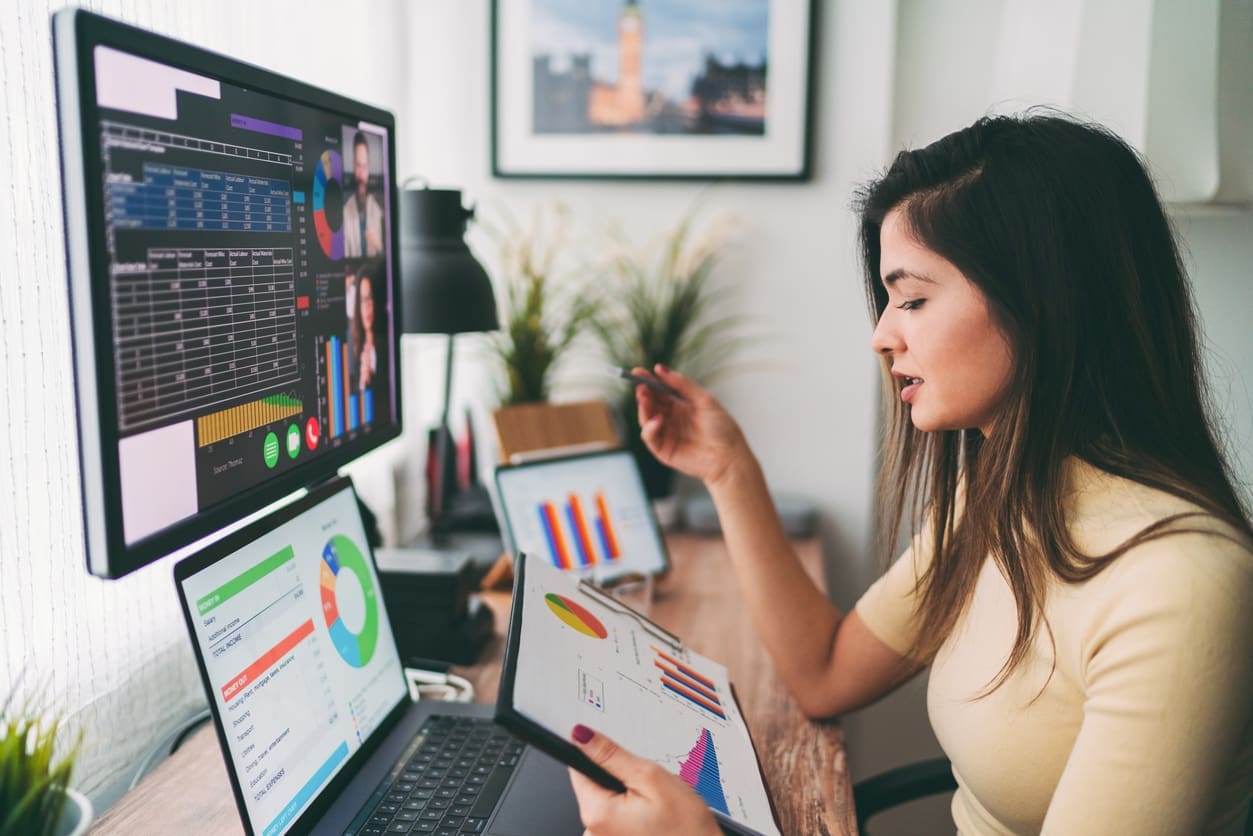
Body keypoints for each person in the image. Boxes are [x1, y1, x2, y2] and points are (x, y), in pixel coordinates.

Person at [566, 113, 1253, 835]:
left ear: (1044, 301)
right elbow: (825, 672)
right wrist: (727, 467)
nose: (881, 335)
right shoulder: (997, 503)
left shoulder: (1182, 584)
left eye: (914, 299)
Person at [343, 130, 383, 257]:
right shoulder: (344, 212)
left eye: (364, 167)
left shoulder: (377, 210)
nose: (361, 175)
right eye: (358, 166)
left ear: (369, 169)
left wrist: (379, 247)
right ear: (353, 166)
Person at [352, 269, 376, 393]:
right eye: (362, 300)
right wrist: (363, 380)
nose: (366, 306)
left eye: (370, 298)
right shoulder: (354, 346)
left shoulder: (386, 341)